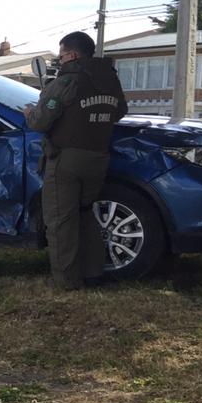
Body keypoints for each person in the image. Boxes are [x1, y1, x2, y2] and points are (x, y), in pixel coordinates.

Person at [24, 31, 128, 290]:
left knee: (60, 221)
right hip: (99, 157)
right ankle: (93, 273)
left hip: (67, 159)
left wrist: (29, 112)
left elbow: (40, 121)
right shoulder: (108, 79)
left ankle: (66, 281)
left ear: (71, 54)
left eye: (61, 56)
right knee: (85, 214)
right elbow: (120, 111)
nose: (60, 61)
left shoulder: (67, 81)